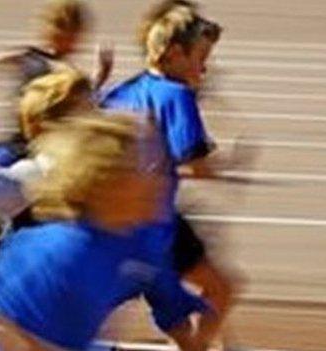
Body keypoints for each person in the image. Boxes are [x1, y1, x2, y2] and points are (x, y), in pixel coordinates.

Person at [0, 115, 212, 351]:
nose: (165, 180)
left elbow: (174, 313)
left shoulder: (146, 243)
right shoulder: (58, 252)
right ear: (108, 187)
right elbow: (3, 329)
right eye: (149, 170)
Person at [99, 1, 236, 349]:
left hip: (110, 221)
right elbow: (197, 165)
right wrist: (226, 164)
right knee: (218, 290)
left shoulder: (121, 92)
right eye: (200, 58)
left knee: (104, 309)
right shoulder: (177, 96)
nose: (204, 70)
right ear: (175, 53)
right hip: (152, 229)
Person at [0, 0, 112, 95]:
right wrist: (100, 76)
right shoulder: (39, 61)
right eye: (71, 37)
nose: (75, 44)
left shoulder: (35, 58)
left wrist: (100, 76)